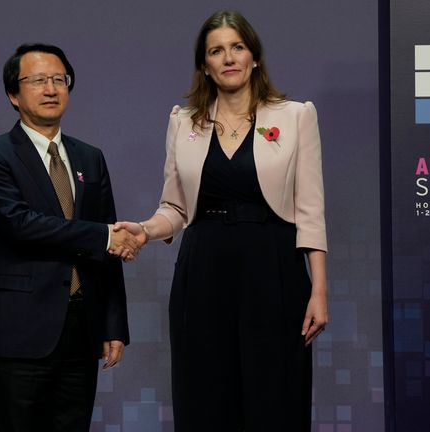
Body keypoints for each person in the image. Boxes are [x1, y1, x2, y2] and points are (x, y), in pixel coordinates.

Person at [115, 10, 328, 431]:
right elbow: (174, 209)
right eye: (216, 51)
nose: (228, 57)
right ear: (205, 66)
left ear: (254, 58)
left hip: (274, 269)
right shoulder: (182, 123)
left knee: (275, 396)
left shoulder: (295, 116)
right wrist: (144, 230)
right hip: (203, 272)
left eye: (237, 47)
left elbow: (310, 210)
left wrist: (318, 289)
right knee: (205, 397)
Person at [0, 43, 135, 432]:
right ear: (13, 94)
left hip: (82, 329)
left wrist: (114, 324)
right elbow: (21, 225)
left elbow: (106, 246)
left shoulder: (90, 157)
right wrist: (104, 236)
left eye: (59, 80)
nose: (51, 89)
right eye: (38, 80)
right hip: (23, 331)